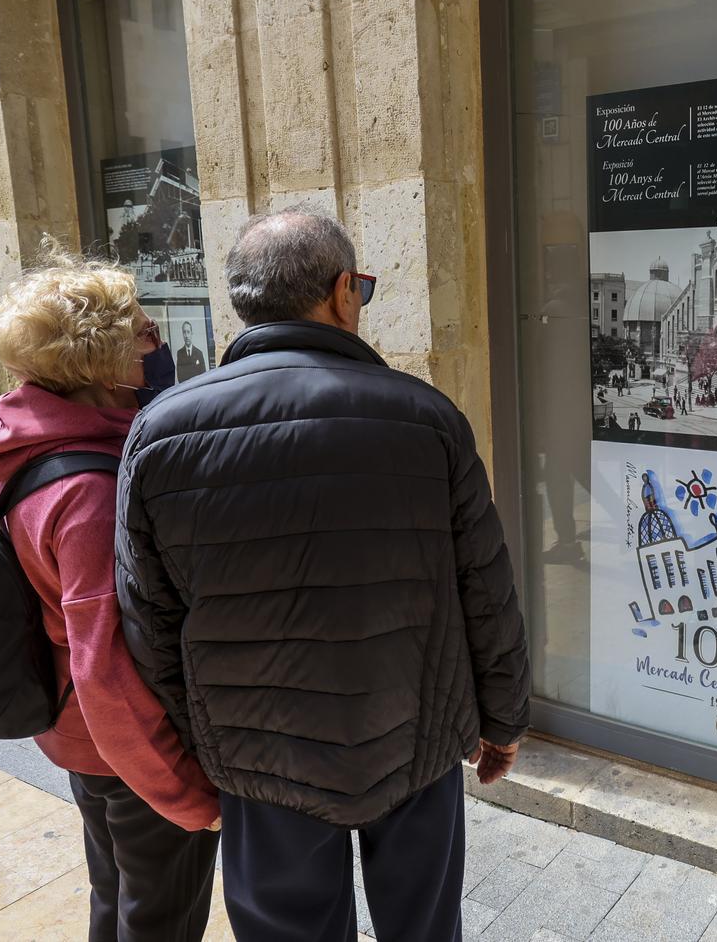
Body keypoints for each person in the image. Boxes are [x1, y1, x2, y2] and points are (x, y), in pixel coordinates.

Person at [115, 209, 531, 942]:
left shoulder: (161, 432)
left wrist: (203, 741)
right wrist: (501, 719)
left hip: (260, 752)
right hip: (416, 736)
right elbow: (485, 590)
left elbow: (148, 619)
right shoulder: (427, 418)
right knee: (424, 928)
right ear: (343, 292)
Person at [0, 246, 221, 941]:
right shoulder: (89, 491)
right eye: (144, 333)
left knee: (117, 896)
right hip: (129, 749)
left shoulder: (29, 444)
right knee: (160, 920)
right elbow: (104, 665)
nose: (158, 345)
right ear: (105, 365)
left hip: (82, 735)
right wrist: (184, 795)